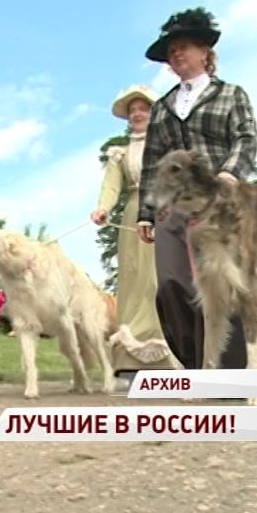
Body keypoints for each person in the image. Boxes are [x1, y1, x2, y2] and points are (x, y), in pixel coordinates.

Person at [136, 7, 257, 371]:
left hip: (220, 204)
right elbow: (152, 161)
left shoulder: (232, 94)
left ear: (205, 51)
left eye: (183, 46)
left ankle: (231, 374)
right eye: (171, 50)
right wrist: (146, 210)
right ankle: (194, 365)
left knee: (223, 284)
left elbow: (246, 139)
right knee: (172, 284)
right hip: (173, 209)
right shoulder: (162, 108)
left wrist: (229, 175)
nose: (176, 54)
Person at [91, 84, 179, 373]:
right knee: (133, 279)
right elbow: (111, 187)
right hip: (132, 215)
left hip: (166, 212)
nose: (137, 114)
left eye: (144, 108)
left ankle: (171, 353)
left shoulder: (170, 146)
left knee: (161, 278)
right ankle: (131, 360)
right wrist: (103, 208)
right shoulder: (120, 153)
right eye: (132, 110)